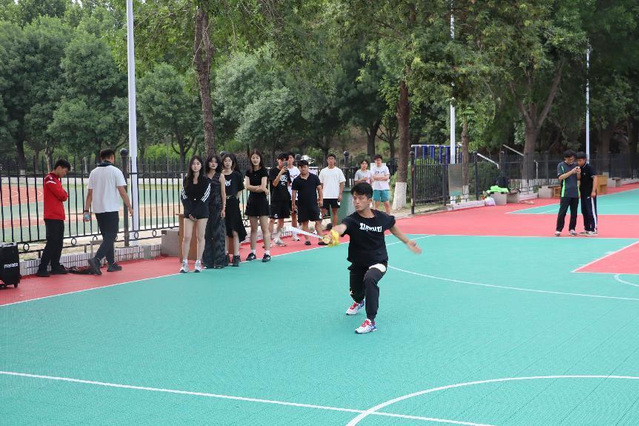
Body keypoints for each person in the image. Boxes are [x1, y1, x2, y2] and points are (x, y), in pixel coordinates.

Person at [326, 182, 421, 334]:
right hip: (358, 263)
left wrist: (407, 241)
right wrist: (333, 234)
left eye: (360, 198)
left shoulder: (381, 217)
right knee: (356, 293)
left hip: (378, 261)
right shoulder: (352, 220)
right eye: (354, 198)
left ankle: (370, 321)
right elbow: (341, 227)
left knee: (370, 279)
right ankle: (359, 301)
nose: (356, 201)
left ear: (369, 200)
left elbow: (393, 228)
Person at [84, 149, 133, 275]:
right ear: (112, 157)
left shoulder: (93, 172)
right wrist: (129, 206)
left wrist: (86, 210)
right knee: (111, 235)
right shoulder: (115, 171)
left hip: (98, 209)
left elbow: (89, 193)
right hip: (111, 208)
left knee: (107, 237)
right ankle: (96, 259)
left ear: (101, 158)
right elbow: (122, 192)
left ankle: (111, 263)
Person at [37, 159, 71, 277]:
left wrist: (64, 194)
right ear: (59, 167)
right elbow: (62, 195)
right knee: (52, 242)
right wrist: (63, 194)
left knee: (58, 243)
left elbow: (64, 195)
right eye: (65, 171)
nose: (65, 174)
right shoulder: (49, 179)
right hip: (52, 216)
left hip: (58, 216)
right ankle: (42, 268)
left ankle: (55, 266)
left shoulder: (56, 180)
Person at [179, 155, 211, 273]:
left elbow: (205, 198)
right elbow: (183, 196)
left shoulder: (206, 180)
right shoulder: (186, 179)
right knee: (187, 237)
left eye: (198, 163)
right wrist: (190, 213)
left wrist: (196, 213)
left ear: (201, 166)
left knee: (200, 237)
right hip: (189, 213)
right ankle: (185, 263)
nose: (195, 166)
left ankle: (198, 263)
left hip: (202, 212)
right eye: (193, 163)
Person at [245, 150, 272, 262]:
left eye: (257, 157)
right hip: (252, 201)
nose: (255, 160)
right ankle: (253, 252)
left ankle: (267, 253)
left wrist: (261, 188)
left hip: (262, 202)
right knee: (253, 229)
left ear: (260, 159)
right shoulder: (248, 171)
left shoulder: (264, 171)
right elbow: (247, 186)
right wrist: (259, 188)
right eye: (253, 157)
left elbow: (263, 186)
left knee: (265, 228)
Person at [222, 153, 247, 267]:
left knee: (235, 230)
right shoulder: (220, 175)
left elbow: (240, 189)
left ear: (232, 162)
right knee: (225, 231)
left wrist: (235, 198)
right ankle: (225, 255)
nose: (227, 163)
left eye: (229, 161)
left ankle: (236, 255)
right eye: (225, 161)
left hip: (233, 204)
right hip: (223, 205)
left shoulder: (236, 175)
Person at [203, 154, 227, 269]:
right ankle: (208, 261)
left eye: (215, 162)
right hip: (206, 208)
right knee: (207, 234)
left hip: (217, 207)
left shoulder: (220, 176)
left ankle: (219, 261)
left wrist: (223, 208)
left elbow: (223, 193)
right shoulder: (204, 176)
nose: (213, 164)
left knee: (219, 234)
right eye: (211, 161)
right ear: (208, 163)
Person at [292, 160, 323, 246]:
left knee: (318, 221)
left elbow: (319, 189)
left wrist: (321, 199)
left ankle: (321, 239)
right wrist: (293, 204)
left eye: (305, 167)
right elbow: (294, 193)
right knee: (305, 222)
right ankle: (307, 239)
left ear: (308, 167)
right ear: (299, 168)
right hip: (302, 205)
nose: (303, 169)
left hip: (313, 204)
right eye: (301, 167)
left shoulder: (314, 177)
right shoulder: (296, 180)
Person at [555, 150, 580, 237]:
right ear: (565, 158)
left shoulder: (576, 165)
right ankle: (558, 229)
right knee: (562, 212)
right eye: (569, 159)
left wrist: (578, 173)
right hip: (565, 192)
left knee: (574, 213)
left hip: (575, 192)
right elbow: (560, 177)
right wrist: (571, 172)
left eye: (572, 159)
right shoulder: (561, 165)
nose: (571, 161)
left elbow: (578, 178)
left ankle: (572, 229)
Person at [269, 153, 291, 247]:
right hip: (276, 198)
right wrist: (280, 173)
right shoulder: (273, 171)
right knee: (272, 219)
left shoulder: (287, 171)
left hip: (284, 198)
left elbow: (287, 184)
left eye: (285, 160)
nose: (283, 162)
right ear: (278, 160)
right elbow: (274, 183)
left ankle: (277, 238)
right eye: (281, 160)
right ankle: (268, 240)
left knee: (281, 220)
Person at [319, 153, 346, 229]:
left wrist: (340, 194)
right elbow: (320, 184)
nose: (331, 160)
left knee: (334, 212)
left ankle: (334, 228)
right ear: (327, 160)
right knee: (322, 212)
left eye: (332, 159)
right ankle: (318, 227)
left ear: (335, 160)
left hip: (335, 195)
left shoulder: (338, 171)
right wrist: (320, 195)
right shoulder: (323, 171)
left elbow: (342, 183)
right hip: (325, 195)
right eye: (329, 159)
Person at [576, 151, 598, 236]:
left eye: (580, 160)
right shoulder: (579, 168)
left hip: (589, 192)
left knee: (590, 210)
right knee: (584, 210)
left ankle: (594, 229)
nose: (578, 162)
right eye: (577, 160)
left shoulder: (589, 167)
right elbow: (579, 179)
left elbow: (595, 178)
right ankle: (587, 228)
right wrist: (578, 173)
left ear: (584, 160)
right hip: (583, 192)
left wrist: (593, 191)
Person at [287, 152, 301, 241]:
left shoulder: (296, 170)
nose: (289, 160)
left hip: (296, 195)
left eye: (291, 158)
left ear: (293, 159)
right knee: (285, 216)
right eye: (288, 158)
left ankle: (295, 234)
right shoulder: (284, 170)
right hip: (286, 195)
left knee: (295, 214)